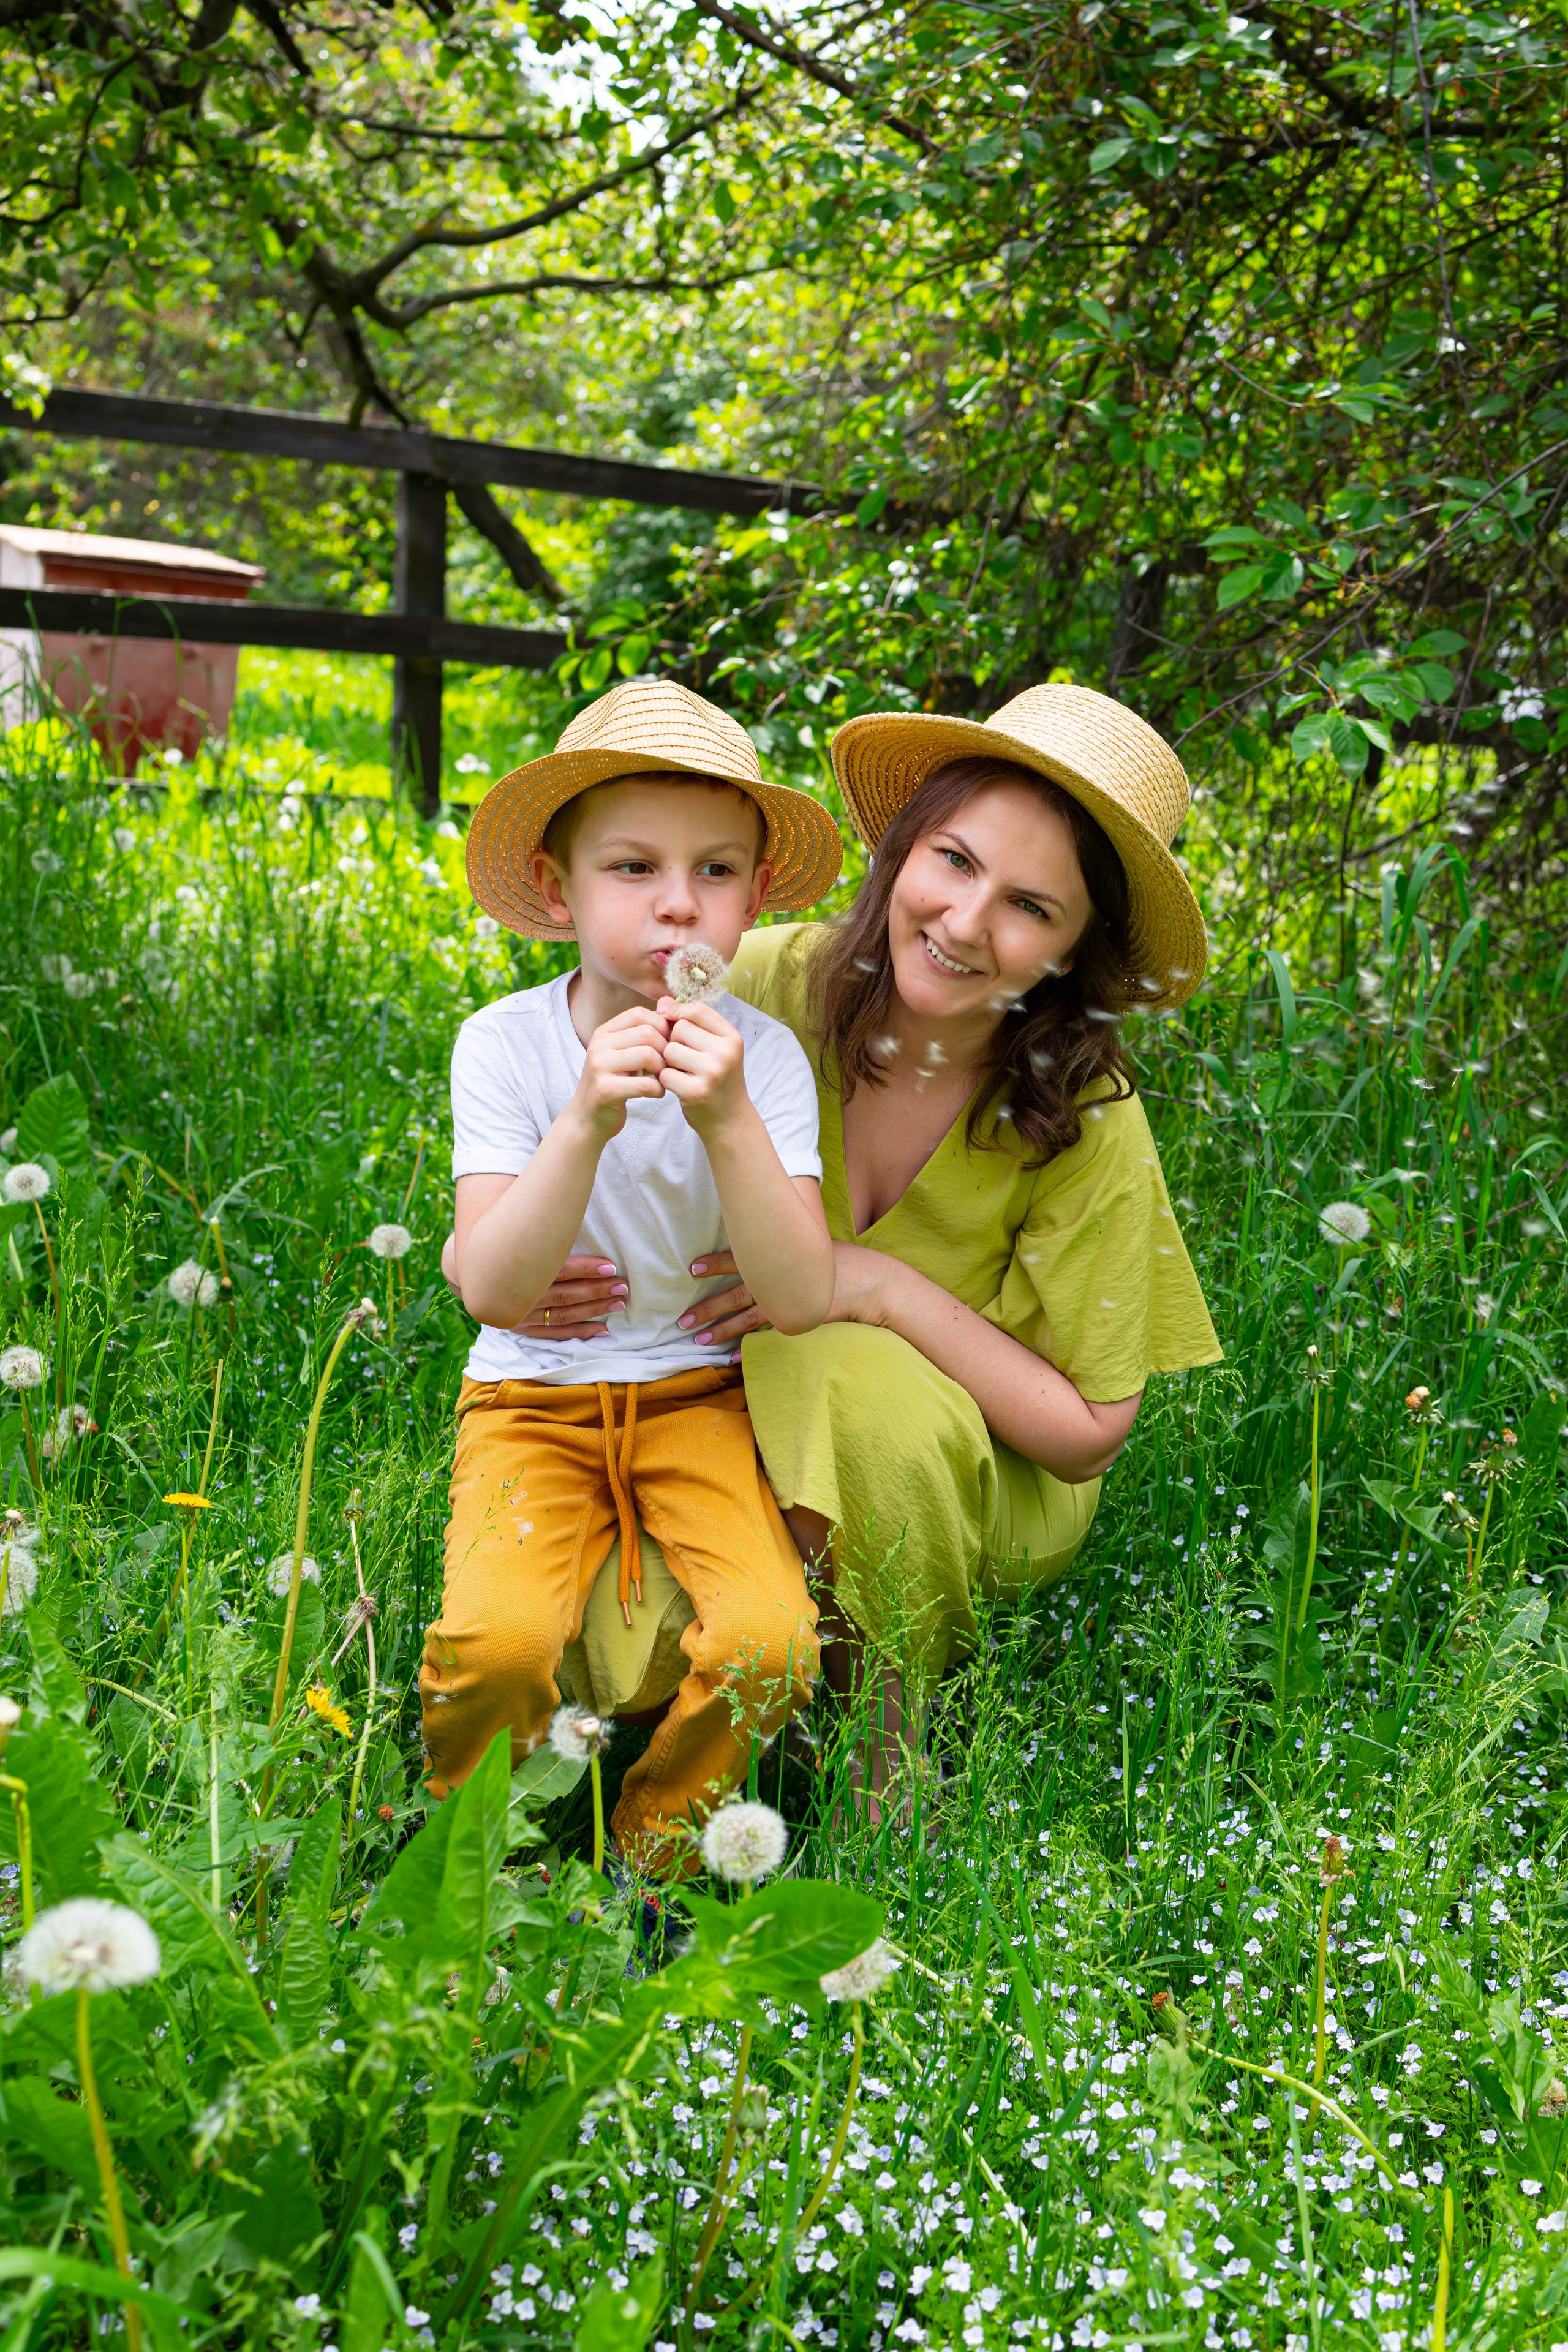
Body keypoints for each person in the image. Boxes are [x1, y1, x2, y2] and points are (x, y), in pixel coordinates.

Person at [513, 682, 1222, 1814]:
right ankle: (739, 1682)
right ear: (900, 850)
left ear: (1078, 947)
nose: (966, 923)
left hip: (974, 1473)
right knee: (604, 1649)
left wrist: (876, 1285)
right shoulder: (755, 990)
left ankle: (887, 1759)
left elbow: (1089, 1436)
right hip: (717, 1409)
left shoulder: (1089, 1112)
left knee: (823, 1350)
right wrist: (538, 1264)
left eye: (1032, 907)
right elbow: (569, 1101)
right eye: (953, 860)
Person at [424, 677, 843, 1873]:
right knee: (498, 1646)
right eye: (633, 870)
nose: (678, 907)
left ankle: (655, 1845)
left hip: (701, 1398)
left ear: (756, 897)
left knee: (772, 1648)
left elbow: (801, 1295)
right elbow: (498, 1290)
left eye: (716, 873)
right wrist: (583, 1123)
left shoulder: (760, 1063)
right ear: (556, 892)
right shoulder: (503, 1044)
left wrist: (724, 1124)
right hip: (528, 1401)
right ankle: (472, 1859)